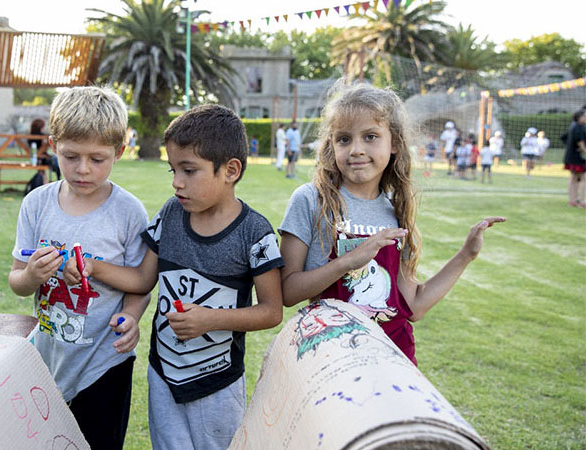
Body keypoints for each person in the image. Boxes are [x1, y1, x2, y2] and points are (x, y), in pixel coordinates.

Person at [63, 104, 284, 450]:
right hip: (163, 375)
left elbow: (272, 311)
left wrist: (210, 320)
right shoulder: (170, 213)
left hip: (218, 384)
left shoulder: (255, 232)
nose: (176, 182)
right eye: (173, 170)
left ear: (230, 170)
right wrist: (95, 267)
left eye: (189, 170)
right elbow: (141, 280)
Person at [278, 81, 505, 365]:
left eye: (370, 136)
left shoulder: (397, 210)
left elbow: (414, 306)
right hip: (333, 356)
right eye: (344, 139)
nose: (356, 149)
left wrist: (465, 255)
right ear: (331, 145)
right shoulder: (312, 200)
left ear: (395, 143)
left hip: (392, 357)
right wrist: (347, 262)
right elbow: (287, 292)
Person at [9, 87, 150, 450]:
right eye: (71, 156)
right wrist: (32, 276)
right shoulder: (36, 203)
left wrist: (132, 317)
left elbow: (141, 282)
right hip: (47, 357)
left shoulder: (129, 213)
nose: (83, 169)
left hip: (105, 362)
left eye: (97, 159)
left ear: (119, 152)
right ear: (53, 145)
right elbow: (17, 280)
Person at [564, 109, 586, 208]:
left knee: (574, 178)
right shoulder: (579, 127)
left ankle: (573, 200)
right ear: (579, 117)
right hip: (575, 157)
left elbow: (563, 137)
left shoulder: (572, 126)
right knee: (583, 178)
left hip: (570, 155)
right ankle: (582, 201)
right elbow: (581, 144)